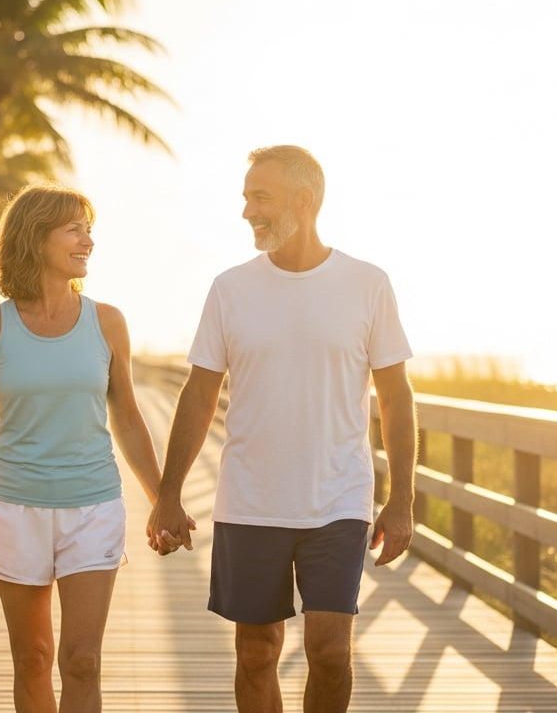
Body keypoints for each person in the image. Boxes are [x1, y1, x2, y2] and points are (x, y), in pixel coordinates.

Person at [147, 145, 418, 713]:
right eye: (246, 198)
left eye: (259, 198)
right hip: (250, 499)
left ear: (304, 200)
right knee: (257, 651)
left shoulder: (367, 284)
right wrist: (168, 494)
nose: (247, 211)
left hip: (338, 497)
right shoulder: (230, 288)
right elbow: (199, 395)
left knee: (329, 652)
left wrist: (402, 500)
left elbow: (395, 396)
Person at [0, 183, 166, 713]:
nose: (88, 241)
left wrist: (161, 498)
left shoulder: (107, 322)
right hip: (15, 508)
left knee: (82, 660)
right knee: (33, 658)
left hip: (94, 505)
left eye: (90, 230)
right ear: (36, 238)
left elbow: (127, 417)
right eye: (74, 229)